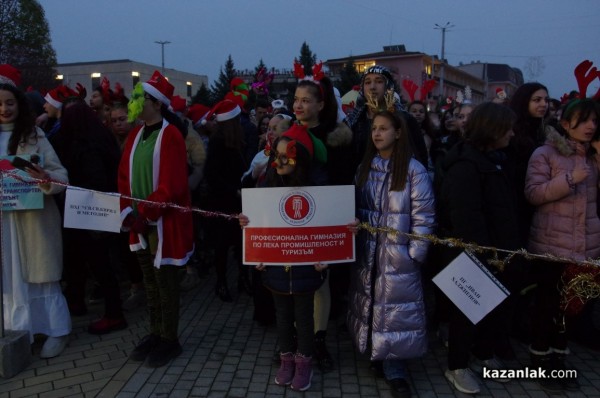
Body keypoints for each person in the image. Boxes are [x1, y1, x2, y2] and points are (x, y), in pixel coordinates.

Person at [347, 109, 435, 398]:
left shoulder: (413, 170)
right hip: (368, 252)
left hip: (398, 257)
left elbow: (423, 216)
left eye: (384, 128)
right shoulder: (366, 167)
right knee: (371, 302)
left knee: (395, 311)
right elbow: (355, 209)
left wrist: (414, 254)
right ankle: (375, 353)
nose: (377, 133)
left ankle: (395, 367)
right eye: (375, 128)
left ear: (398, 133)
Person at [239, 123, 328, 392]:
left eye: (284, 154)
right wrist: (248, 226)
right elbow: (260, 225)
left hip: (305, 267)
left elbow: (328, 226)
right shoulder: (267, 190)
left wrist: (328, 252)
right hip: (277, 268)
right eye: (274, 154)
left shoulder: (316, 191)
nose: (279, 161)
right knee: (282, 316)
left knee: (303, 317)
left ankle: (304, 363)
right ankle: (286, 360)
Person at [439, 102, 520, 394]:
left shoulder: (495, 159)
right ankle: (457, 366)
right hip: (473, 255)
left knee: (491, 310)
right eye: (507, 128)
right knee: (465, 313)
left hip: (497, 254)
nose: (512, 133)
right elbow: (466, 217)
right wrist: (485, 254)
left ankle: (485, 355)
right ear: (492, 129)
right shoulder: (465, 166)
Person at [118, 71, 194, 368]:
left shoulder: (171, 134)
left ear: (157, 103)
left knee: (165, 284)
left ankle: (169, 338)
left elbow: (172, 184)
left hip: (162, 224)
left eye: (140, 97)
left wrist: (148, 213)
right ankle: (154, 332)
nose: (134, 101)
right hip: (139, 223)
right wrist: (127, 211)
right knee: (149, 283)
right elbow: (124, 175)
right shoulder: (136, 134)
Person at [525, 98, 600, 393]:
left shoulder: (593, 156)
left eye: (594, 120)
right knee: (547, 305)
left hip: (586, 248)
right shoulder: (546, 153)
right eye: (583, 120)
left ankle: (559, 355)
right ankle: (540, 358)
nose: (590, 126)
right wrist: (569, 179)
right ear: (566, 124)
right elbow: (533, 192)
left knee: (572, 307)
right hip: (551, 246)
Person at [0, 66, 71, 358]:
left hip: (33, 221)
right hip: (4, 224)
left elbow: (61, 176)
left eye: (9, 102)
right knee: (10, 278)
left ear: (19, 104)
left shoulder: (35, 136)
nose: (4, 108)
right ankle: (18, 331)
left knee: (40, 276)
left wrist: (45, 179)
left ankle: (55, 330)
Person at [52, 101, 125, 333]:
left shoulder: (85, 146)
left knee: (98, 263)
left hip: (88, 211)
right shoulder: (100, 139)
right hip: (91, 211)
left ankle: (113, 314)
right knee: (88, 261)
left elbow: (96, 180)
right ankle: (80, 303)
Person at [202, 99, 248, 302]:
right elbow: (212, 175)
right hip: (222, 203)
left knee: (240, 244)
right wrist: (233, 191)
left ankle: (242, 279)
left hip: (235, 200)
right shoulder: (218, 142)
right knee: (222, 245)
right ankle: (221, 283)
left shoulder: (235, 141)